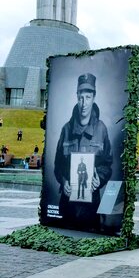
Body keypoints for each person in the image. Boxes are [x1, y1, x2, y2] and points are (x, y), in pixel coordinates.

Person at [54, 73, 113, 231]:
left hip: (91, 206)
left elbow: (107, 165)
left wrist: (99, 179)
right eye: (81, 97)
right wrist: (64, 181)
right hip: (67, 205)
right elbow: (57, 165)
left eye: (88, 97)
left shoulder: (101, 129)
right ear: (76, 97)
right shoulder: (66, 129)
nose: (84, 103)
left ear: (94, 98)